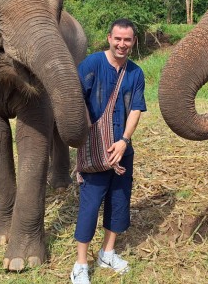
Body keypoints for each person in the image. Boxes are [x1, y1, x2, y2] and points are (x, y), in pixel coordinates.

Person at [70, 18, 147, 284]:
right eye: (118, 38)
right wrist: (91, 130)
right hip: (95, 151)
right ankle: (80, 264)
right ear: (109, 38)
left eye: (127, 40)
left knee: (119, 202)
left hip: (122, 151)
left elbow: (136, 108)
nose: (122, 44)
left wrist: (125, 140)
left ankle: (107, 252)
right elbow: (75, 96)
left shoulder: (135, 72)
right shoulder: (92, 64)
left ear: (133, 42)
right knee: (90, 205)